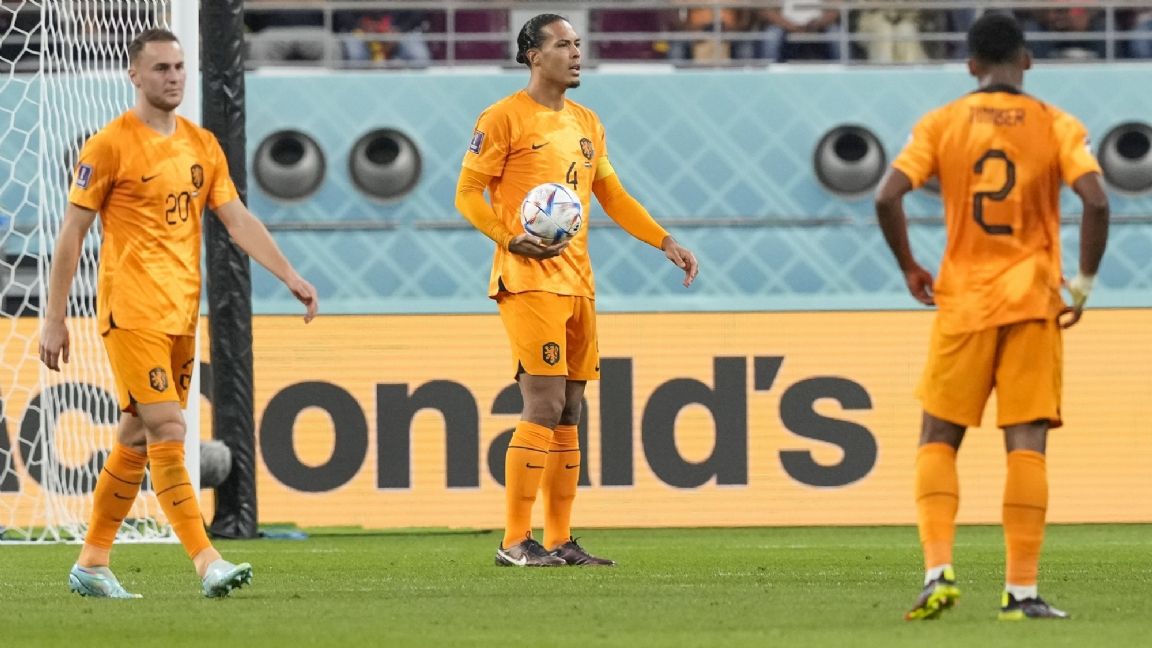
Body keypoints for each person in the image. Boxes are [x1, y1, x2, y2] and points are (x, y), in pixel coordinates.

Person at [39, 28, 319, 598]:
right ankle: (206, 561)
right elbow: (72, 233)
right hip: (130, 310)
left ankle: (91, 563)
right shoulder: (109, 146)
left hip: (181, 312)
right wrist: (54, 317)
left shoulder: (201, 144)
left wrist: (289, 275)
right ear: (134, 74)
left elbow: (236, 219)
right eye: (161, 68)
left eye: (179, 67)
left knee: (137, 437)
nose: (173, 77)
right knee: (169, 427)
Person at [875, 13, 1109, 621]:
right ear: (1026, 60)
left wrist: (909, 266)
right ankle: (1021, 593)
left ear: (971, 66)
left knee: (937, 437)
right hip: (1033, 300)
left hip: (964, 301)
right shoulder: (1057, 124)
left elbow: (887, 194)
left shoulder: (942, 123)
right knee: (1026, 443)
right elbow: (1096, 201)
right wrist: (1082, 285)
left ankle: (937, 574)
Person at [455, 13, 698, 567]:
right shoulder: (502, 118)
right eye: (563, 44)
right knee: (542, 403)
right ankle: (515, 541)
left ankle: (561, 539)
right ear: (534, 56)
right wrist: (508, 238)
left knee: (569, 409)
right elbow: (466, 193)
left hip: (578, 282)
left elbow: (613, 196)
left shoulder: (588, 121)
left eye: (578, 44)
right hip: (527, 280)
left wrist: (663, 240)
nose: (576, 53)